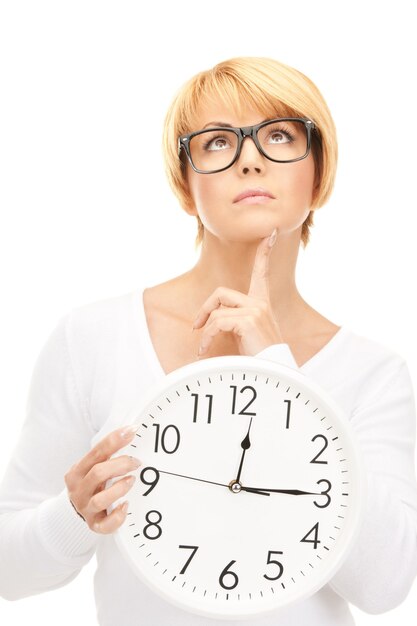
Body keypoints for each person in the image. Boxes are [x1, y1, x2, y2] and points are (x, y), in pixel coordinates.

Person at [1, 56, 417, 626]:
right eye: (219, 142)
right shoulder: (93, 339)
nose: (250, 160)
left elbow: (386, 584)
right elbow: (8, 570)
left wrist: (280, 370)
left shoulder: (374, 373)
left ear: (318, 174)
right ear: (184, 183)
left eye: (278, 135)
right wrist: (73, 516)